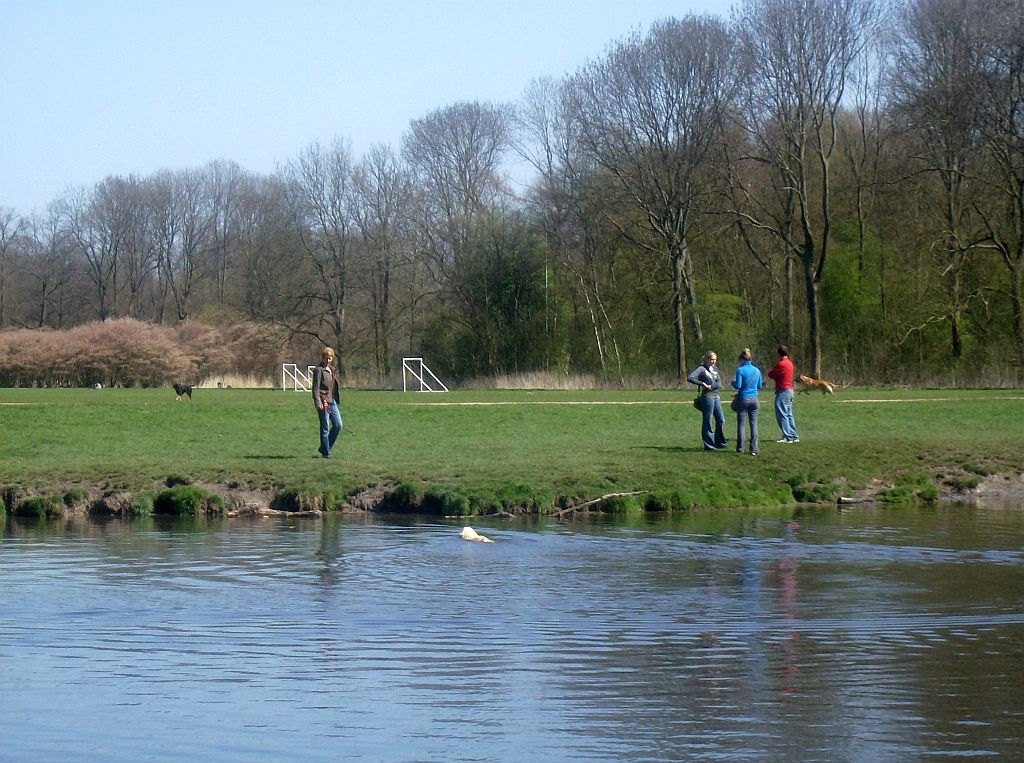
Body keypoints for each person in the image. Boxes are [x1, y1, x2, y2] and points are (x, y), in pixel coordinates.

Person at [687, 350, 728, 451]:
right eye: (712, 359)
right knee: (708, 420)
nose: (713, 362)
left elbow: (719, 383)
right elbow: (690, 378)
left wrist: (712, 385)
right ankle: (709, 445)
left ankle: (720, 442)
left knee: (721, 420)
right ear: (706, 359)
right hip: (707, 397)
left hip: (716, 396)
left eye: (715, 360)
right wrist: (703, 384)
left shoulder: (715, 369)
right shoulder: (701, 369)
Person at [731, 347, 764, 456]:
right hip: (754, 398)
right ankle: (754, 449)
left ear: (742, 360)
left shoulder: (740, 370)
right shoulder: (757, 370)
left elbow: (738, 385)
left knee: (741, 424)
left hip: (743, 398)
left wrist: (732, 383)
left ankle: (740, 448)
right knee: (753, 424)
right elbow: (759, 385)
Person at [312, 347, 343, 458]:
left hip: (332, 400)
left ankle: (324, 447)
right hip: (323, 401)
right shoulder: (318, 370)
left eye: (330, 358)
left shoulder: (331, 369)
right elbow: (315, 388)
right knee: (325, 426)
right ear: (322, 358)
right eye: (326, 358)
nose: (328, 360)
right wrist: (318, 402)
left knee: (338, 425)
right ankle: (326, 453)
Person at [767, 344, 799, 443]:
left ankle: (787, 436)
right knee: (789, 414)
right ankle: (794, 435)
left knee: (782, 414)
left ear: (778, 353)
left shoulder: (781, 364)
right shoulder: (790, 363)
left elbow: (771, 374)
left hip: (783, 390)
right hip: (790, 390)